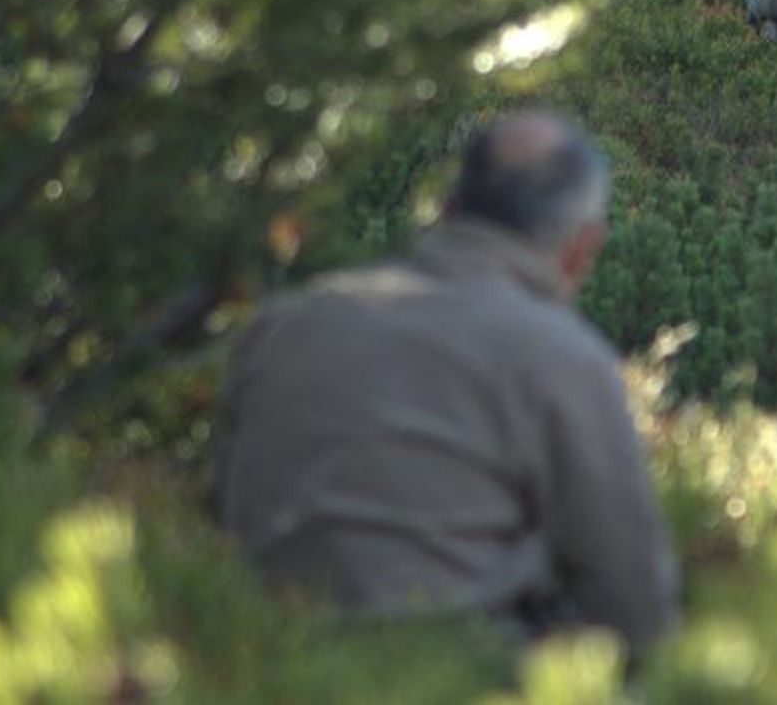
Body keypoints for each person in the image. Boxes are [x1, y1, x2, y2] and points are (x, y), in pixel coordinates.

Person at [213, 110, 677, 655]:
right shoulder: (563, 358)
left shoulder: (281, 324)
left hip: (261, 670)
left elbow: (224, 512)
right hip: (457, 674)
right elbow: (634, 608)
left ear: (450, 211)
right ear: (581, 249)